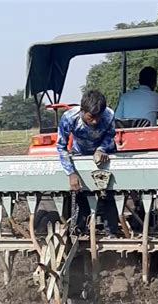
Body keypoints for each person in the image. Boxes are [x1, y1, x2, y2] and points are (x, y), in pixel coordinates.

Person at [56, 90, 119, 238]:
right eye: (91, 117)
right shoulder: (69, 118)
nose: (95, 121)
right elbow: (61, 147)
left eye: (98, 117)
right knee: (82, 194)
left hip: (104, 155)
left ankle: (112, 233)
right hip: (80, 154)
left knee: (108, 192)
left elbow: (111, 135)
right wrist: (71, 173)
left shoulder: (108, 115)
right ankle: (79, 230)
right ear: (83, 111)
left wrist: (101, 149)